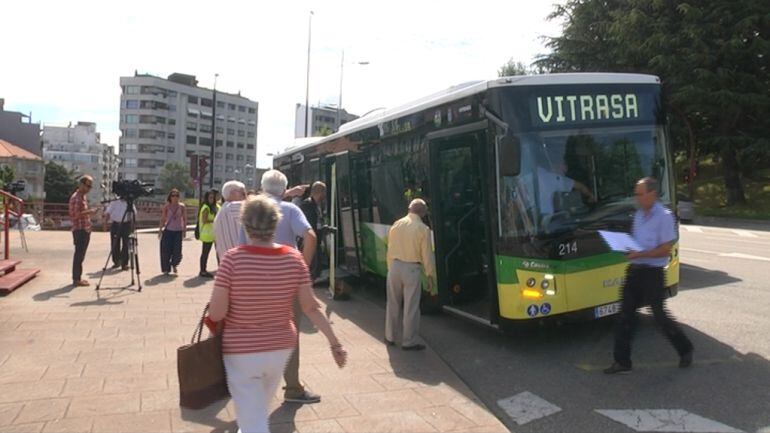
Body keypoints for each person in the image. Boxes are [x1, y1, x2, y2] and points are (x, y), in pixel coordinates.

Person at [208, 194, 347, 433]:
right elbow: (311, 307)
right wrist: (335, 344)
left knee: (252, 413)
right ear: (276, 223)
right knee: (257, 406)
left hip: (241, 350)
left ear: (245, 223)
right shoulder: (294, 259)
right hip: (280, 348)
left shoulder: (232, 259)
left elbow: (217, 312)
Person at [604, 177, 694, 374]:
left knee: (659, 316)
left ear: (652, 194)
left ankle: (685, 348)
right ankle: (622, 362)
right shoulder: (638, 215)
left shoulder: (664, 216)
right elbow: (638, 243)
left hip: (652, 274)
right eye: (636, 193)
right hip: (635, 271)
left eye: (640, 193)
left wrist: (641, 254)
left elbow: (665, 250)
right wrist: (627, 248)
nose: (637, 197)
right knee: (625, 316)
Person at [252, 170, 318, 404]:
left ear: (262, 186)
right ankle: (292, 388)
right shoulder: (290, 210)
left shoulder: (251, 211)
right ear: (284, 189)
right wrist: (303, 269)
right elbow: (310, 237)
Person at [385, 198, 435, 351]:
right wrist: (430, 276)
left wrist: (390, 268)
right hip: (412, 269)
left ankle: (390, 336)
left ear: (409, 209)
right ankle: (408, 341)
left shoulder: (396, 224)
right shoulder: (423, 229)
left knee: (392, 303)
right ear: (423, 213)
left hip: (394, 266)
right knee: (411, 307)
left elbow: (390, 249)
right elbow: (426, 255)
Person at [68, 175, 98, 286]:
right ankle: (76, 279)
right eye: (87, 186)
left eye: (90, 186)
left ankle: (77, 277)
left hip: (84, 229)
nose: (89, 189)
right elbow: (75, 215)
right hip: (80, 230)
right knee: (79, 255)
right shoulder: (77, 198)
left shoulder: (82, 197)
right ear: (81, 184)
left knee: (81, 255)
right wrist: (90, 211)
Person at [299, 181, 327, 280]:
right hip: (311, 241)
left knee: (316, 268)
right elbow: (309, 226)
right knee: (312, 269)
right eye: (324, 192)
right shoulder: (308, 205)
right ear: (320, 192)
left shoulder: (316, 205)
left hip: (316, 240)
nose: (325, 195)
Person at [214, 180, 247, 261]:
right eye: (243, 193)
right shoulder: (233, 207)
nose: (246, 197)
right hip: (240, 262)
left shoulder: (222, 211)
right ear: (232, 193)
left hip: (228, 264)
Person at [158, 188, 186, 275]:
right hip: (168, 230)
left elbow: (184, 219)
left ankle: (174, 264)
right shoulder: (167, 206)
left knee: (177, 251)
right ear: (170, 197)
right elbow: (163, 219)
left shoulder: (182, 206)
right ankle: (166, 269)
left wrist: (184, 230)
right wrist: (160, 230)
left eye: (177, 195)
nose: (175, 197)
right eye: (173, 195)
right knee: (166, 250)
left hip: (178, 231)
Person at [103, 196, 135, 271]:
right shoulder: (114, 202)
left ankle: (124, 263)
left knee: (126, 244)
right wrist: (105, 223)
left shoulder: (129, 202)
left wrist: (133, 226)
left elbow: (133, 214)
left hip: (126, 225)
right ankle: (116, 261)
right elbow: (108, 213)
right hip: (116, 224)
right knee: (115, 244)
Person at [198, 190, 220, 278]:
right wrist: (215, 220)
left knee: (219, 252)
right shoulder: (206, 207)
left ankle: (221, 268)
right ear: (207, 198)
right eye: (210, 197)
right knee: (205, 253)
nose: (212, 199)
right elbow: (204, 220)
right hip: (207, 234)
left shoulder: (216, 206)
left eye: (213, 197)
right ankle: (202, 271)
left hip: (215, 233)